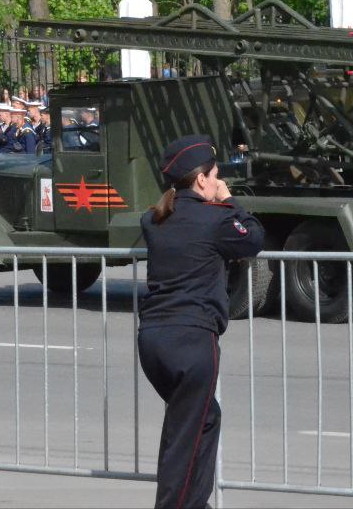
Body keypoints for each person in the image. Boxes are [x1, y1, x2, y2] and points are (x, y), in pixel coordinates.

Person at [138, 135, 264, 509]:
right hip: (192, 341)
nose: (219, 180)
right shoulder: (216, 219)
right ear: (202, 180)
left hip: (154, 341)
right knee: (187, 435)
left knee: (200, 421)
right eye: (216, 175)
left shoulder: (154, 219)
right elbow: (253, 237)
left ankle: (195, 503)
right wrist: (228, 199)